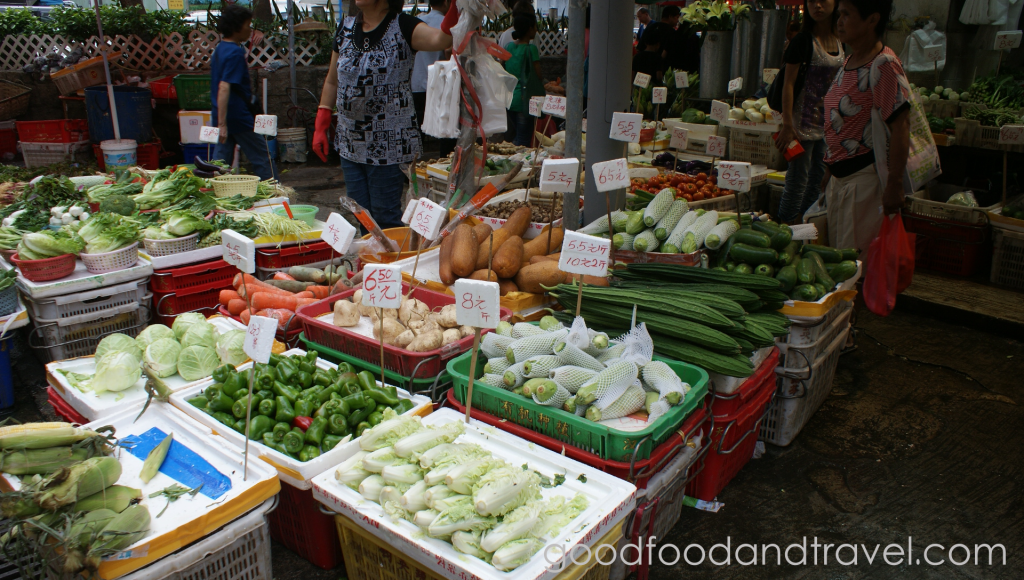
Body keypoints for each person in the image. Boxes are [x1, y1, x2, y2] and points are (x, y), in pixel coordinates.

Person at [311, 0, 453, 230]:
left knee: (384, 216)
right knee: (361, 215)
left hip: (389, 144)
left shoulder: (404, 26)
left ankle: (391, 263)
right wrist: (322, 120)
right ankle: (371, 261)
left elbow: (442, 39)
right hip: (351, 141)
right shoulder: (346, 28)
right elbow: (331, 79)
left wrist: (458, 6)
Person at [821, 0, 910, 253]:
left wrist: (895, 184)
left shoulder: (883, 65)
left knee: (856, 266)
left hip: (864, 183)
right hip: (840, 180)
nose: (839, 21)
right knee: (841, 260)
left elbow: (901, 126)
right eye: (839, 14)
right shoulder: (848, 61)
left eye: (847, 14)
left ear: (872, 20)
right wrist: (830, 167)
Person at [774, 0, 843, 224]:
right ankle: (784, 229)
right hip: (799, 126)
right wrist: (787, 124)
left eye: (824, 0)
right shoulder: (803, 41)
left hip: (827, 126)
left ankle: (803, 229)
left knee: (817, 182)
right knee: (797, 181)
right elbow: (788, 84)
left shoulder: (841, 41)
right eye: (812, 1)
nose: (818, 6)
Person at [210, 4, 278, 181]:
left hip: (222, 113)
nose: (250, 30)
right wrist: (223, 124)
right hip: (239, 116)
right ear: (236, 27)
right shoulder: (234, 53)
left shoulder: (220, 49)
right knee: (262, 158)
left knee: (221, 162)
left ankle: (215, 191)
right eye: (248, 25)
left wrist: (221, 122)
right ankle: (276, 194)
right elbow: (225, 86)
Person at [411, 0, 454, 158]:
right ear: (446, 3)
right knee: (445, 130)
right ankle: (446, 164)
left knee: (416, 133)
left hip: (416, 84)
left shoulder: (417, 23)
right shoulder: (446, 26)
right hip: (439, 85)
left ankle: (412, 168)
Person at [504, 14, 545, 147]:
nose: (536, 30)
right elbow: (538, 75)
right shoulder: (531, 49)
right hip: (525, 101)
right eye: (535, 27)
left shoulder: (509, 47)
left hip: (509, 100)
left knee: (517, 137)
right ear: (529, 30)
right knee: (523, 141)